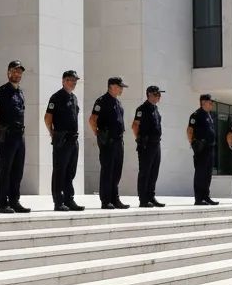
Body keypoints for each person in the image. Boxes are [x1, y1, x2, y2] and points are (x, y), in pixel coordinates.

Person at [0, 60, 30, 214]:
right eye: (14, 71)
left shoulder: (20, 92)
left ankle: (14, 200)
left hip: (20, 136)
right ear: (8, 72)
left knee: (18, 170)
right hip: (7, 136)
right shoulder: (1, 91)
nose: (17, 74)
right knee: (5, 169)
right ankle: (2, 202)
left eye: (20, 72)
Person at [45, 69, 85, 212]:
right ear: (63, 81)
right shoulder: (56, 97)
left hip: (73, 140)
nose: (73, 83)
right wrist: (52, 133)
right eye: (70, 80)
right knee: (59, 171)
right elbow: (47, 118)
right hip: (62, 140)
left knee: (70, 172)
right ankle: (58, 201)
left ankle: (69, 199)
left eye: (75, 80)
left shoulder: (73, 98)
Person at [90, 77, 130, 209]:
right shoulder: (102, 101)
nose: (122, 89)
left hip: (118, 141)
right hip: (108, 142)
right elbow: (92, 120)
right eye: (120, 86)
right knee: (107, 170)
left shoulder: (117, 102)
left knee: (117, 171)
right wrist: (98, 133)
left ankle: (115, 199)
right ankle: (106, 200)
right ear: (112, 86)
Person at [132, 85, 164, 207]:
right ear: (149, 95)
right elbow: (135, 125)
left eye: (159, 95)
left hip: (156, 144)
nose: (159, 97)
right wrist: (139, 140)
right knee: (145, 172)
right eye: (156, 95)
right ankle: (143, 199)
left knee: (154, 172)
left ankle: (151, 196)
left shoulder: (155, 109)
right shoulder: (142, 109)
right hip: (146, 145)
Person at [186, 93, 218, 206]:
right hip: (201, 149)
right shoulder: (196, 115)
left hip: (210, 148)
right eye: (210, 102)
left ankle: (206, 196)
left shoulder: (209, 115)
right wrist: (193, 143)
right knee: (200, 174)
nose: (212, 104)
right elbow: (190, 130)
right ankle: (199, 199)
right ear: (203, 102)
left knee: (208, 174)